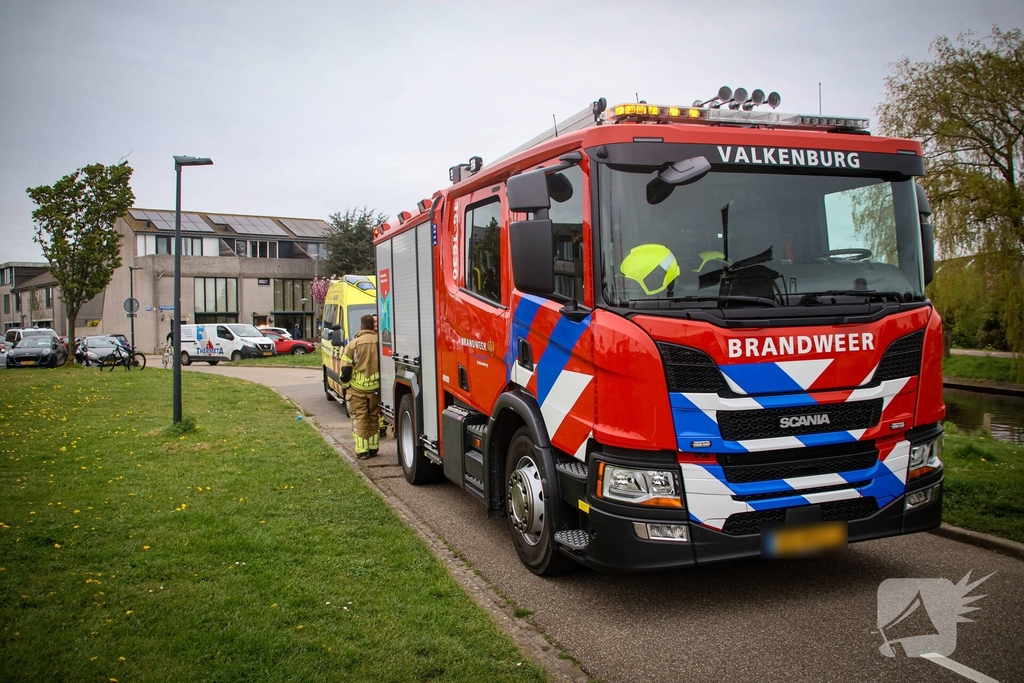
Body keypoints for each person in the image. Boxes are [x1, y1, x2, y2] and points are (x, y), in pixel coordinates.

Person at [339, 314, 380, 459]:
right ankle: (374, 448)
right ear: (373, 326)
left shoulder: (352, 344)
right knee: (373, 417)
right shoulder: (380, 342)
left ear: (361, 327)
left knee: (359, 419)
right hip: (376, 389)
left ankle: (363, 451)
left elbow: (345, 371)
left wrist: (345, 386)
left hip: (357, 390)